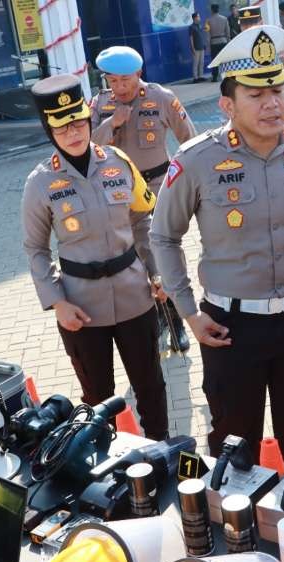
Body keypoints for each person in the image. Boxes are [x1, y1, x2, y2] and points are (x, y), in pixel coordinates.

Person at [150, 25, 284, 464]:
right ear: (228, 105)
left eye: (277, 88)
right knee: (234, 449)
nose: (273, 102)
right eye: (256, 95)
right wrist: (188, 312)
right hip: (230, 330)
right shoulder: (197, 159)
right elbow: (163, 235)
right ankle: (238, 531)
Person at [22, 75, 169, 440]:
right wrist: (57, 302)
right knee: (97, 398)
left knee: (151, 386)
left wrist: (157, 273)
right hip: (82, 307)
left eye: (78, 122)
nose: (73, 133)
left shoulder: (118, 162)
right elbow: (36, 249)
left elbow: (141, 219)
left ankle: (160, 452)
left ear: (88, 120)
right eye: (62, 127)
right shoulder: (40, 183)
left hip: (135, 294)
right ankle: (105, 468)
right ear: (49, 131)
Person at [90, 46, 197, 355]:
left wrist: (192, 184)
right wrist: (113, 123)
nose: (120, 88)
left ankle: (175, 318)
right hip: (119, 190)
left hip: (158, 186)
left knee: (162, 251)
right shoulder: (100, 103)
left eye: (126, 80)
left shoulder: (162, 97)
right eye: (113, 81)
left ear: (139, 74)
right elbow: (87, 144)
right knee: (135, 255)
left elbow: (190, 140)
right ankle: (156, 318)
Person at [207, 4, 232, 82]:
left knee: (214, 60)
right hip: (223, 41)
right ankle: (227, 76)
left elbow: (207, 35)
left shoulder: (208, 20)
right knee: (224, 59)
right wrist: (228, 42)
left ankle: (215, 77)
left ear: (212, 10)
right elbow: (228, 32)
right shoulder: (224, 19)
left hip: (213, 42)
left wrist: (208, 46)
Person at [191, 12, 208, 83]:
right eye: (198, 16)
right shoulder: (192, 27)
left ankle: (200, 76)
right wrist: (192, 48)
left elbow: (202, 36)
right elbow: (191, 39)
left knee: (201, 62)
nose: (199, 18)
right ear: (195, 18)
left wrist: (204, 45)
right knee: (196, 63)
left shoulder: (200, 26)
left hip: (201, 47)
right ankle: (195, 77)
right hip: (196, 48)